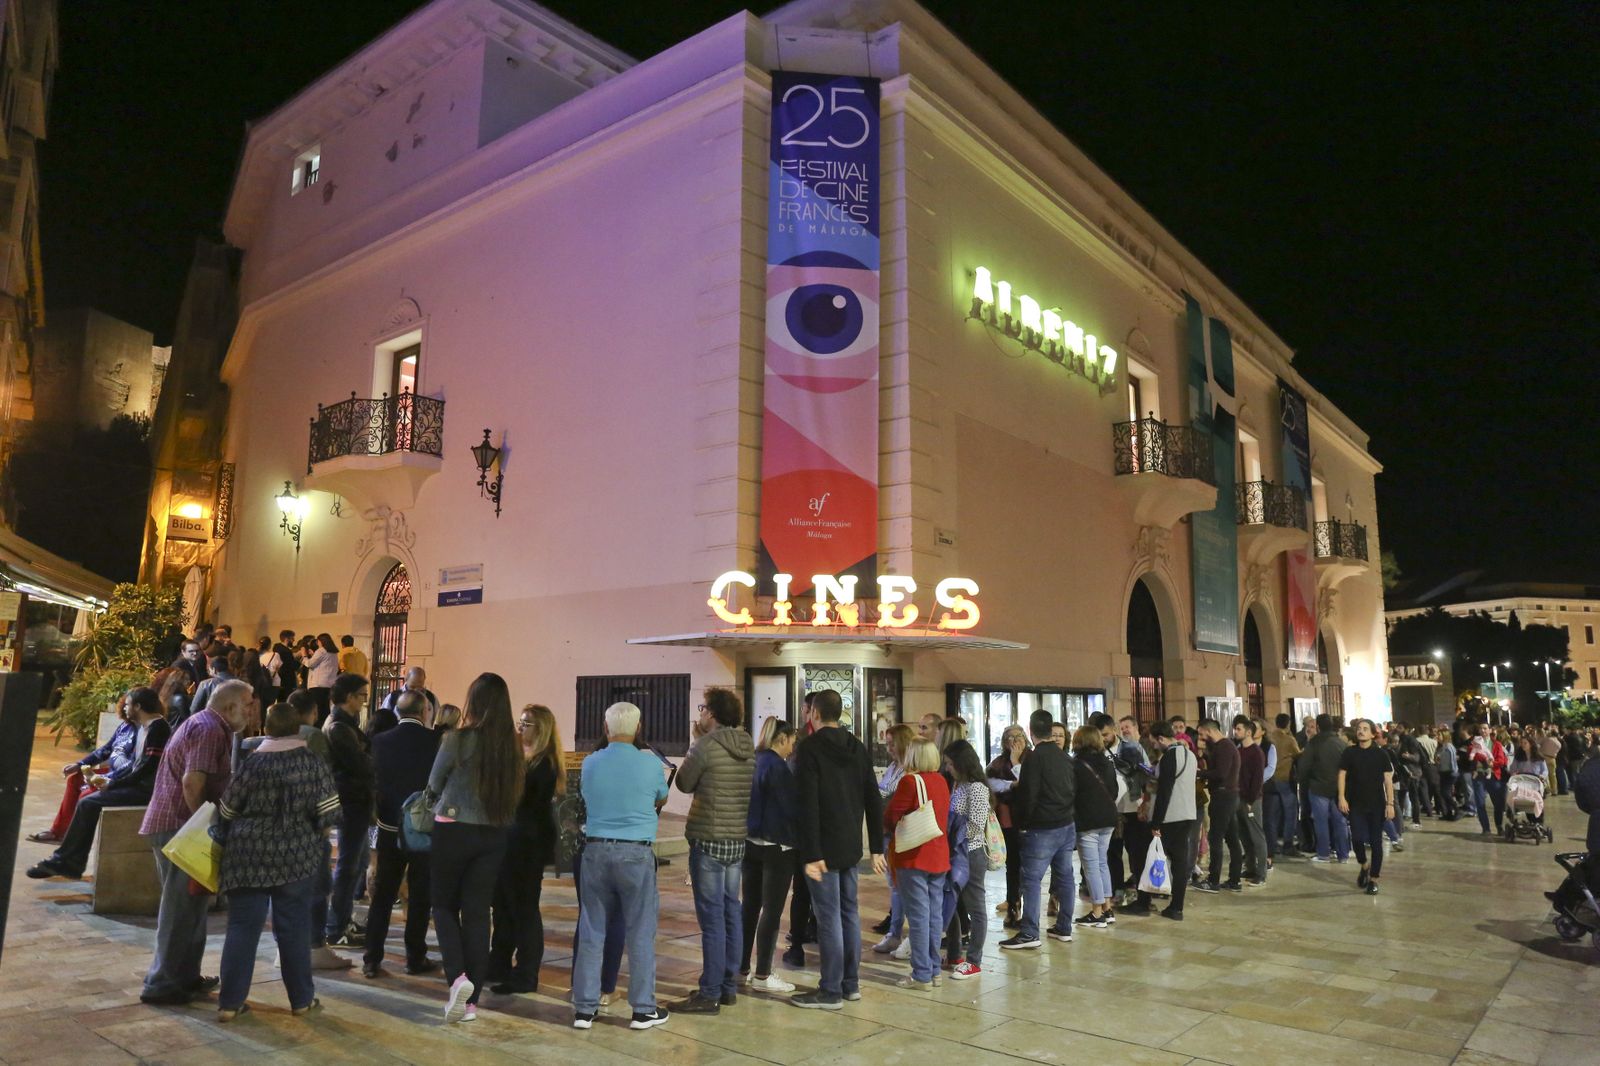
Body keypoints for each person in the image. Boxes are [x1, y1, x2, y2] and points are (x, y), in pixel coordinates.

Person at [213, 702, 341, 1021]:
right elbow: (329, 814)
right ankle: (301, 1000)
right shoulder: (311, 762)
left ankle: (230, 1003)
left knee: (242, 928)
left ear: (267, 729)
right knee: (294, 928)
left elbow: (227, 810)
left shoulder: (251, 762)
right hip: (296, 857)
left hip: (246, 854)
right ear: (298, 729)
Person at [139, 679, 253, 1005]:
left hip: (178, 828)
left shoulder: (208, 726)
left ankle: (184, 977)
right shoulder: (209, 729)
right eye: (247, 704)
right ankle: (162, 984)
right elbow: (192, 783)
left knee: (192, 908)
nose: (251, 710)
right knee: (180, 910)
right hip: (180, 830)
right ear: (229, 706)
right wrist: (203, 828)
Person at [424, 673, 525, 1023]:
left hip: (453, 830)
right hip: (494, 834)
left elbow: (434, 784)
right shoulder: (512, 745)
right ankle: (471, 1004)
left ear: (475, 702)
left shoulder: (458, 739)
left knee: (443, 905)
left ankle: (458, 978)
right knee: (479, 914)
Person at [572, 701, 669, 1031]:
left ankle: (585, 1009)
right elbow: (661, 796)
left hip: (596, 851)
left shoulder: (590, 763)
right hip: (636, 853)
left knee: (592, 929)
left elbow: (586, 797)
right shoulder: (650, 763)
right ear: (638, 729)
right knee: (640, 931)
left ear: (605, 727)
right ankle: (643, 1010)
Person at [789, 688, 885, 1009]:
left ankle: (830, 990)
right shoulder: (857, 747)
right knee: (849, 913)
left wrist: (811, 853)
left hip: (823, 849)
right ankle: (850, 983)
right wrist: (877, 847)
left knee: (828, 916)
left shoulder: (810, 749)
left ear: (814, 714)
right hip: (849, 846)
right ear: (840, 714)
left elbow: (807, 805)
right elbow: (873, 797)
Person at [671, 688, 756, 1015]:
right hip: (736, 838)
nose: (700, 713)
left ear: (714, 714)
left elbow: (684, 783)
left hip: (708, 839)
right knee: (730, 910)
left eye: (703, 708)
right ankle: (727, 985)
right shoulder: (748, 746)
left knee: (711, 918)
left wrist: (696, 744)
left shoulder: (705, 746)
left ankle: (709, 993)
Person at [29, 688, 170, 879]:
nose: (125, 708)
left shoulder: (158, 728)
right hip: (137, 785)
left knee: (88, 802)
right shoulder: (143, 727)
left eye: (128, 704)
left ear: (138, 706)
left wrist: (113, 783)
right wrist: (92, 770)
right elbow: (123, 758)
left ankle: (67, 862)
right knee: (87, 800)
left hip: (147, 791)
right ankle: (68, 860)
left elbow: (146, 768)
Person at [364, 690, 442, 979]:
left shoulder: (380, 742)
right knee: (420, 894)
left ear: (397, 712)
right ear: (425, 712)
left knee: (383, 895)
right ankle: (415, 956)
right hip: (421, 828)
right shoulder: (435, 742)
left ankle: (372, 958)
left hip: (389, 826)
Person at [486, 703, 563, 994]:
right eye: (520, 722)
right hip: (508, 841)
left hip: (527, 845)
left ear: (540, 729)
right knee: (502, 906)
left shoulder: (544, 763)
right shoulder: (521, 756)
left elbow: (525, 802)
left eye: (526, 723)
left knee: (525, 909)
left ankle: (526, 972)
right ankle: (499, 962)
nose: (520, 727)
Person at [1000, 710, 1077, 950]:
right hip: (1066, 824)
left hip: (1043, 828)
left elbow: (1028, 794)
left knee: (1031, 879)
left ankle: (1030, 932)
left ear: (1031, 731)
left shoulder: (1034, 758)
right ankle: (1064, 927)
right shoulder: (1063, 756)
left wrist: (1023, 822)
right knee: (1065, 877)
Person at [883, 737, 949, 990]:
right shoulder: (941, 781)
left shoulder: (910, 781)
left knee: (919, 917)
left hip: (914, 856)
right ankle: (933, 970)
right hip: (939, 856)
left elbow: (891, 816)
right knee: (933, 916)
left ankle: (921, 974)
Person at [741, 721, 799, 993]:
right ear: (783, 739)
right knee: (771, 911)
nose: (792, 747)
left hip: (750, 842)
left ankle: (741, 968)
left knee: (749, 907)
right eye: (792, 741)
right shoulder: (778, 767)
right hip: (777, 847)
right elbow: (790, 809)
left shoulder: (754, 760)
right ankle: (763, 972)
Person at [322, 673, 375, 948]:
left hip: (355, 799)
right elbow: (361, 764)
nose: (365, 701)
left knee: (359, 863)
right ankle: (336, 927)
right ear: (350, 697)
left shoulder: (345, 724)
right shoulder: (339, 727)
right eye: (362, 695)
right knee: (348, 866)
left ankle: (342, 920)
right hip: (351, 800)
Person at [1129, 719, 1198, 920]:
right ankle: (1176, 907)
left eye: (1154, 742)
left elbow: (1166, 791)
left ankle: (1143, 901)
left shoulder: (1170, 757)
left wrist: (1156, 822)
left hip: (1170, 817)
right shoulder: (1190, 755)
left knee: (1147, 857)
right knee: (1179, 863)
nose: (1153, 746)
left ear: (1161, 738)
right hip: (1187, 814)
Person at [941, 739, 990, 978]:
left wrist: (952, 833)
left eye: (950, 764)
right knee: (952, 904)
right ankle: (953, 954)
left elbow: (976, 825)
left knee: (975, 908)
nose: (947, 768)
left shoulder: (977, 789)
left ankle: (974, 960)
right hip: (955, 853)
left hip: (970, 853)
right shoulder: (958, 786)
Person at [1338, 719, 1394, 895]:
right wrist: (1341, 797)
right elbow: (1341, 775)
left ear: (1372, 734)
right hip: (1356, 804)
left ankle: (1374, 879)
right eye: (1359, 729)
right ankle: (1364, 865)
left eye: (1365, 729)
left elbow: (1388, 780)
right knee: (1357, 839)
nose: (1361, 731)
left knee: (1376, 842)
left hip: (1376, 805)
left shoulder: (1381, 754)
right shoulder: (1349, 752)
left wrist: (1390, 803)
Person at [871, 723, 914, 951]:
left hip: (900, 832)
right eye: (886, 744)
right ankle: (895, 930)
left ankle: (896, 933)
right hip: (888, 831)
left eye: (891, 744)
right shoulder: (893, 766)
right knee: (894, 884)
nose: (888, 748)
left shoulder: (908, 770)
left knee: (899, 885)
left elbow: (892, 796)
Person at [1070, 725, 1118, 928]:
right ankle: (1107, 908)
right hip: (1108, 818)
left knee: (1091, 867)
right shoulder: (1107, 762)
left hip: (1088, 821)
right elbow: (1114, 790)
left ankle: (1097, 912)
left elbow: (1072, 793)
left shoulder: (1076, 765)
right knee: (1101, 863)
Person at [986, 724, 1029, 927]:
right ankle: (1013, 904)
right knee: (1012, 863)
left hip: (1028, 819)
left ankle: (1033, 901)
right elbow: (989, 781)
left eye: (1018, 736)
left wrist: (1015, 763)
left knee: (1028, 865)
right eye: (1010, 737)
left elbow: (1028, 785)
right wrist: (1009, 785)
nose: (1014, 741)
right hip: (1007, 818)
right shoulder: (998, 762)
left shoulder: (1031, 759)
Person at [1194, 719, 1242, 893]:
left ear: (1208, 731)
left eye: (1201, 733)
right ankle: (1234, 880)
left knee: (1216, 838)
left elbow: (1220, 773)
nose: (1200, 737)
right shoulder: (1224, 747)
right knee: (1232, 838)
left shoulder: (1224, 747)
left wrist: (1200, 773)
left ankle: (1213, 880)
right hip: (1228, 796)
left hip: (1223, 797)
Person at [1300, 713, 1350, 863]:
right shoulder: (1341, 743)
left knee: (1321, 822)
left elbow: (1304, 766)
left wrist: (1303, 781)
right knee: (1340, 822)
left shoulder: (1314, 743)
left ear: (1319, 727)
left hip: (1318, 788)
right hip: (1338, 790)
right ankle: (1343, 854)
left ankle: (1323, 853)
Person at [1232, 717, 1268, 886]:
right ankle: (1250, 867)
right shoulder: (1239, 751)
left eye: (1238, 729)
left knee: (1256, 836)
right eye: (1235, 729)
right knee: (1244, 836)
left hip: (1251, 800)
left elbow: (1257, 778)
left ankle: (1261, 872)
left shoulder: (1256, 752)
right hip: (1238, 798)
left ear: (1248, 732)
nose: (1235, 732)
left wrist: (1251, 799)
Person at [1264, 713, 1302, 858]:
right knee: (1290, 813)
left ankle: (1272, 845)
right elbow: (1298, 754)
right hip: (1285, 779)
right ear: (1288, 723)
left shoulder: (1270, 738)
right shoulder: (1289, 739)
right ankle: (1288, 844)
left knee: (1272, 815)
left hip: (1270, 780)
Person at [373, 666, 442, 737]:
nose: (415, 690)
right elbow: (381, 719)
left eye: (419, 687)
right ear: (406, 679)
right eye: (412, 687)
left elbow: (439, 719)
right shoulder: (393, 697)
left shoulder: (431, 698)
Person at [1468, 722, 1509, 835]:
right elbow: (1472, 754)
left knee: (1499, 803)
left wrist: (1492, 764)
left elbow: (1501, 761)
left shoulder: (1497, 744)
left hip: (1494, 776)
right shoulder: (1474, 743)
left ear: (1490, 730)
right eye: (1481, 728)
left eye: (1485, 728)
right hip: (1479, 777)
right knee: (1480, 803)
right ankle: (1486, 828)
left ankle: (1499, 826)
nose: (1483, 730)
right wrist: (1484, 759)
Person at [301, 634, 339, 726]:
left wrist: (304, 656)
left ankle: (317, 728)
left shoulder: (321, 651)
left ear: (321, 641)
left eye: (317, 641)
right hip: (329, 685)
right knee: (325, 710)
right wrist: (314, 655)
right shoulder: (333, 653)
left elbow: (310, 664)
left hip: (317, 685)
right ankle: (325, 729)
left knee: (318, 710)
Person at [273, 630, 300, 700]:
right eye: (292, 638)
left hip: (279, 680)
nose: (294, 640)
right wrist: (301, 659)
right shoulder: (285, 651)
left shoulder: (277, 648)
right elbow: (291, 666)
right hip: (287, 681)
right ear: (286, 639)